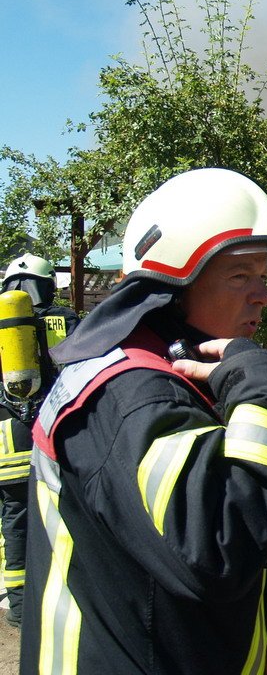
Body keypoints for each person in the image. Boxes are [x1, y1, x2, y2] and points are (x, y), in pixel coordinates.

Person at [20, 168, 267, 674]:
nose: (263, 295)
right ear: (171, 289)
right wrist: (266, 390)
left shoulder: (165, 375)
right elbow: (225, 548)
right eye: (241, 275)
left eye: (265, 275)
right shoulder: (132, 398)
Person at [0, 254, 79, 628]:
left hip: (7, 442)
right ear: (48, 283)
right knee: (62, 517)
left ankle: (18, 609)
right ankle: (60, 601)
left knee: (14, 522)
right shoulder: (64, 319)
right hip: (55, 437)